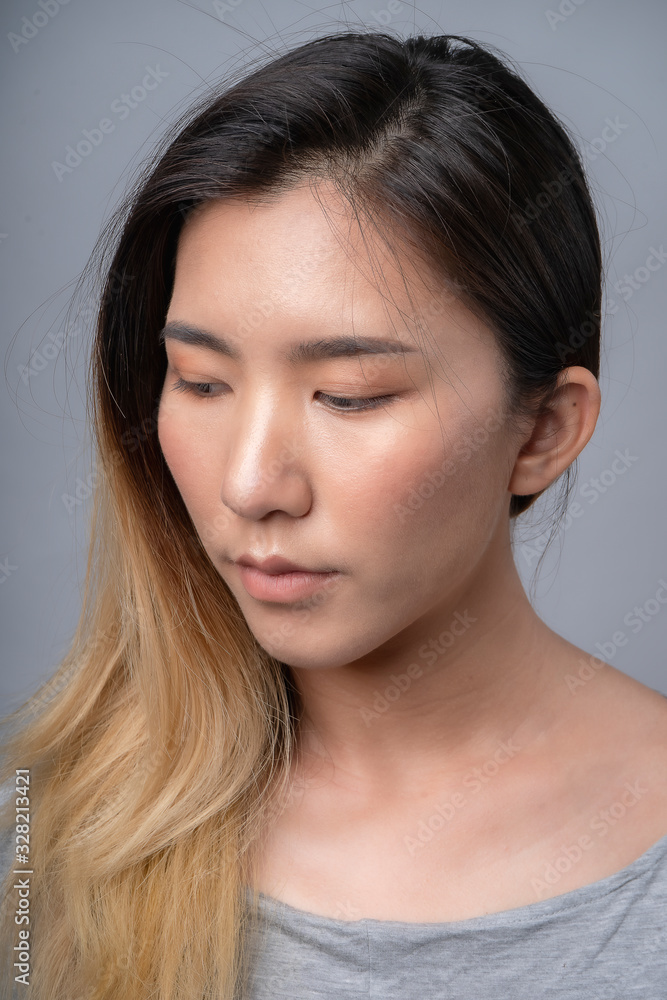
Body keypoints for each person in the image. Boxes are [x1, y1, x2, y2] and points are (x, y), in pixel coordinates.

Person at [1, 29, 666, 1000]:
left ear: (544, 429)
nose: (249, 484)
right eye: (200, 380)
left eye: (348, 396)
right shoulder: (48, 838)